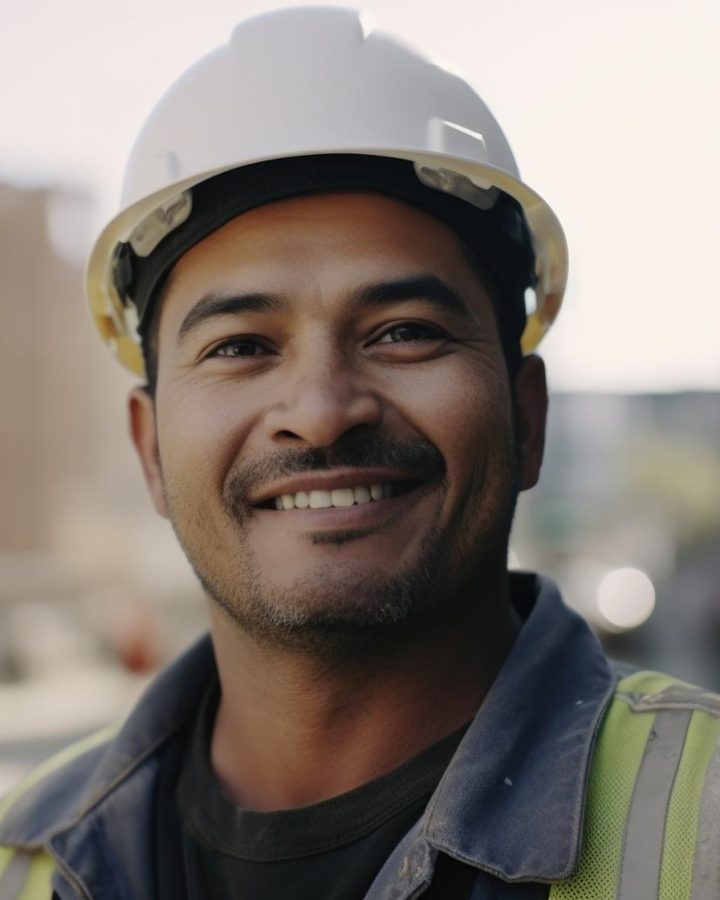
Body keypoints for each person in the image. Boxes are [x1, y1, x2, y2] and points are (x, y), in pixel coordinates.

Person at [1, 8, 719, 899]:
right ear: (149, 449)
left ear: (527, 419)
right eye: (240, 346)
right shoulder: (24, 855)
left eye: (404, 332)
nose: (323, 410)